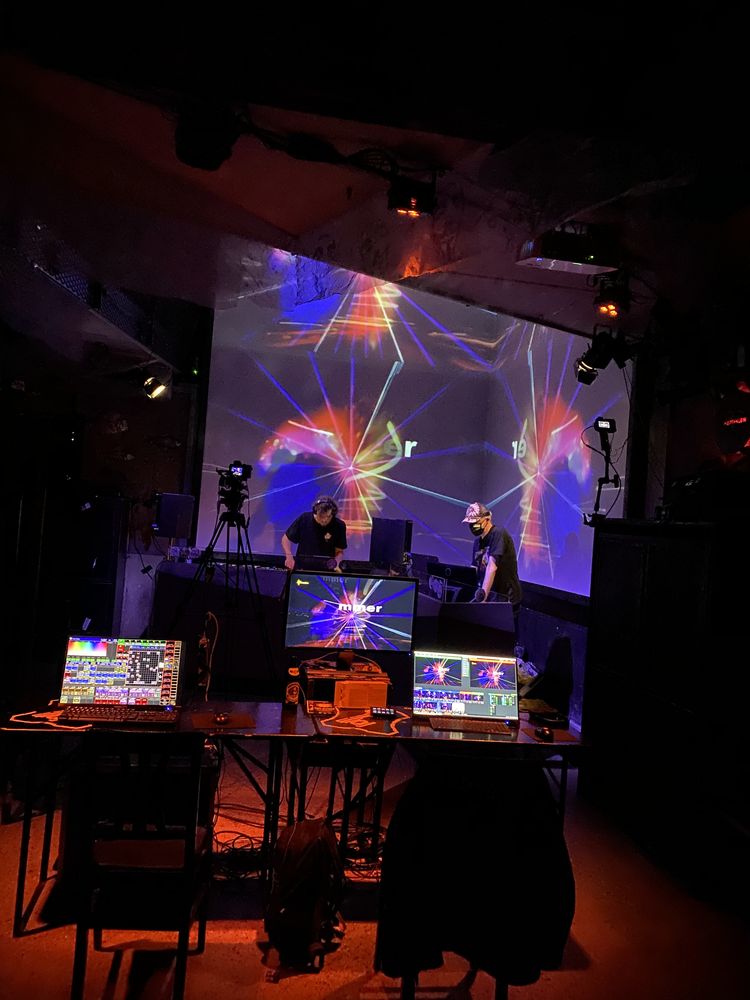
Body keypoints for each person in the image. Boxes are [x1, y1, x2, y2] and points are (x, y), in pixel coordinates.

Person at [462, 501, 522, 634]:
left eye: (475, 522)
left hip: (505, 599)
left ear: (487, 518)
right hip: (491, 598)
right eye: (470, 523)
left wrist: (482, 599)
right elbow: (474, 569)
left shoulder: (498, 534)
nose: (472, 526)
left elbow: (492, 567)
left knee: (501, 639)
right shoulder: (477, 542)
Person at [281, 495, 347, 571]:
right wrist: (289, 556)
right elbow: (285, 539)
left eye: (328, 516)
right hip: (302, 568)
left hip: (326, 570)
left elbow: (339, 551)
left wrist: (336, 563)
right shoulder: (304, 519)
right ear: (315, 512)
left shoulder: (339, 525)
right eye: (321, 516)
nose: (324, 520)